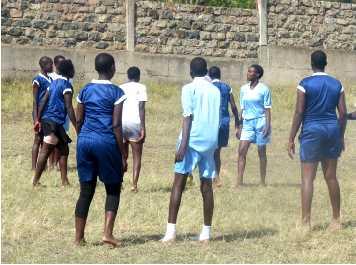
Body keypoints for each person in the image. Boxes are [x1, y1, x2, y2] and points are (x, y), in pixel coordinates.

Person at [161, 57, 221, 243]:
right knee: (206, 186)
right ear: (206, 71)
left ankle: (170, 233)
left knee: (178, 183)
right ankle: (206, 233)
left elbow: (187, 117)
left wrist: (183, 145)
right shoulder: (215, 90)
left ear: (191, 72)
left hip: (192, 140)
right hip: (210, 140)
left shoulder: (188, 88)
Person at [288, 50, 347, 231]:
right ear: (326, 63)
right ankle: (336, 220)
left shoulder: (305, 84)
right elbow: (343, 113)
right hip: (331, 130)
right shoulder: (337, 84)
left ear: (311, 63)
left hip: (312, 131)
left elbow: (299, 111)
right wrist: (340, 135)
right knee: (331, 177)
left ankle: (306, 223)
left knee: (307, 178)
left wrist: (291, 137)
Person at [75, 53, 127, 247]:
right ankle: (107, 234)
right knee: (113, 188)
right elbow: (116, 125)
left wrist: (84, 136)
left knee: (85, 190)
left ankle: (79, 238)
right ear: (112, 68)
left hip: (85, 141)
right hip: (106, 143)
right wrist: (123, 153)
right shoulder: (117, 92)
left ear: (96, 68)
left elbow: (79, 119)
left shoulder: (85, 90)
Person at [32, 59, 77, 187]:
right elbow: (69, 107)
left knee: (64, 149)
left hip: (49, 120)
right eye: (72, 68)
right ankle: (35, 181)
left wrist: (38, 119)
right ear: (69, 71)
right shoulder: (67, 86)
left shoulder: (53, 84)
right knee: (46, 150)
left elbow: (43, 101)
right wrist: (77, 126)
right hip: (53, 121)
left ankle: (65, 181)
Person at [236, 64, 271, 187]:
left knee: (261, 152)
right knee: (241, 151)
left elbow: (267, 109)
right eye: (248, 71)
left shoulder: (264, 89)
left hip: (261, 122)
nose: (248, 73)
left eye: (251, 72)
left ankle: (262, 181)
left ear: (257, 74)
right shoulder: (243, 89)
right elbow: (242, 109)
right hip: (247, 123)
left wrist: (267, 126)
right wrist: (239, 126)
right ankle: (239, 182)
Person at [208, 66, 240, 187]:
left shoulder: (208, 87)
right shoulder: (227, 87)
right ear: (220, 75)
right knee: (217, 152)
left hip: (210, 122)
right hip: (224, 122)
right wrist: (237, 121)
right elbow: (233, 106)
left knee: (207, 151)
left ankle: (210, 176)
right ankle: (216, 176)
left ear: (209, 76)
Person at [120, 67, 147, 193]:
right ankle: (134, 185)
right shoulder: (141, 87)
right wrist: (143, 127)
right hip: (135, 122)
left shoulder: (120, 87)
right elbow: (141, 107)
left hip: (121, 123)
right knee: (137, 156)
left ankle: (119, 182)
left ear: (128, 75)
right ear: (139, 76)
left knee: (122, 155)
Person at [31, 56, 53, 170]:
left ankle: (44, 166)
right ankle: (34, 167)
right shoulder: (37, 80)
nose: (52, 66)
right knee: (38, 139)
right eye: (50, 64)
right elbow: (35, 101)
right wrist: (36, 119)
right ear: (43, 66)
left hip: (49, 114)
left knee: (47, 140)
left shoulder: (51, 79)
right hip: (40, 114)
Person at [48, 55, 68, 170]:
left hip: (62, 114)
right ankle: (51, 163)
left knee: (60, 140)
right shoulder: (51, 77)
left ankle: (56, 163)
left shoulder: (67, 78)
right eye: (60, 63)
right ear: (55, 65)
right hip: (52, 113)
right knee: (50, 139)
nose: (62, 65)